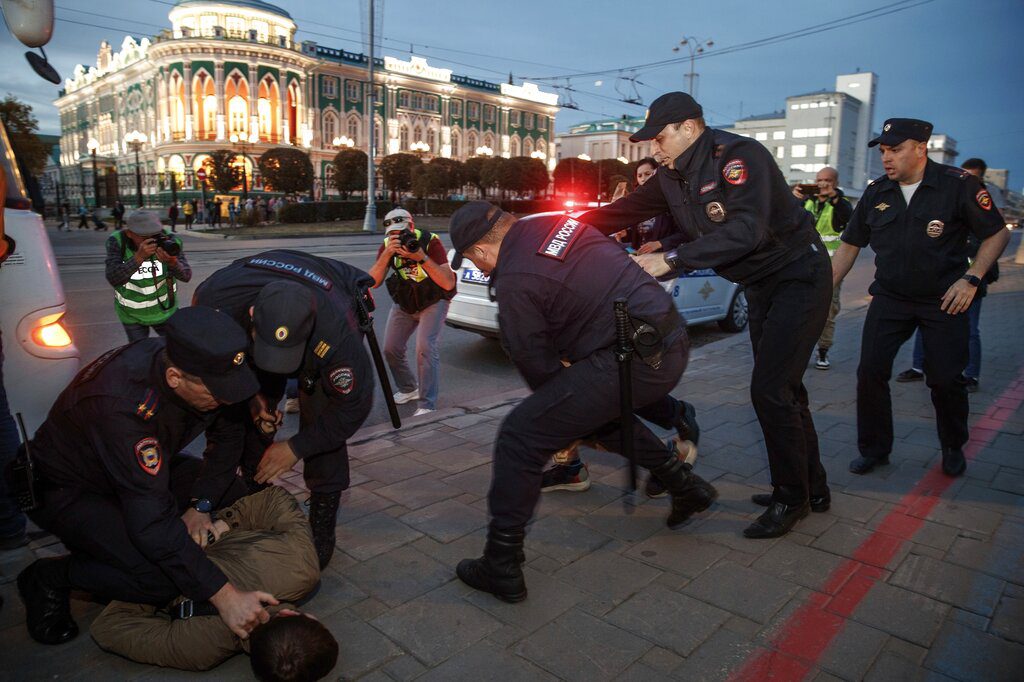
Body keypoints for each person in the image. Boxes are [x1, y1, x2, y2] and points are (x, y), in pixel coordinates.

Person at [578, 92, 833, 539]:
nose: (654, 150)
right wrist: (555, 228)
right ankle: (813, 487)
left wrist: (671, 260)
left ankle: (791, 497)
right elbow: (620, 212)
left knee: (771, 390)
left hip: (798, 274)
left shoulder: (737, 157)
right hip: (760, 284)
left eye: (659, 138)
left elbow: (746, 229)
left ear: (689, 128)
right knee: (786, 389)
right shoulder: (670, 176)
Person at [449, 202, 717, 603]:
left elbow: (540, 371)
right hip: (667, 338)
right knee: (592, 411)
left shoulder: (515, 277)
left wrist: (562, 420)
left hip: (634, 358)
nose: (483, 270)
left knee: (520, 436)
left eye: (476, 262)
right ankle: (686, 486)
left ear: (481, 251)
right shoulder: (560, 225)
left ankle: (500, 564)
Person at [14, 306, 272, 646]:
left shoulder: (200, 366)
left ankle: (184, 561)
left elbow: (227, 438)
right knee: (157, 580)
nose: (226, 400)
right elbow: (151, 523)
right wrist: (225, 597)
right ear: (175, 378)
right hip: (66, 487)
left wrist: (200, 506)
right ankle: (47, 577)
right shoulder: (122, 405)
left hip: (131, 474)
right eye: (217, 394)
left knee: (232, 493)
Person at [832, 119, 1008, 477]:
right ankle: (876, 449)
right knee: (870, 373)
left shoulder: (958, 186)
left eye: (894, 150)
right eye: (883, 151)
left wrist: (971, 279)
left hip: (944, 299)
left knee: (945, 379)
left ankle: (953, 446)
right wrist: (824, 292)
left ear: (920, 148)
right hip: (890, 298)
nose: (886, 158)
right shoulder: (877, 192)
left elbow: (996, 234)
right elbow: (850, 245)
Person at [192, 250, 376, 568]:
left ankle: (322, 518)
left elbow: (353, 406)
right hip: (248, 316)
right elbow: (225, 394)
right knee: (236, 412)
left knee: (322, 421)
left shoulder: (336, 334)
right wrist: (252, 399)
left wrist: (295, 447)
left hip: (325, 305)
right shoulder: (215, 305)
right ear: (251, 315)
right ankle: (254, 490)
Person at [89, 486, 336, 677]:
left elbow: (275, 497)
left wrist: (158, 577)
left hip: (151, 518)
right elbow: (109, 627)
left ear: (288, 615)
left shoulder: (302, 569)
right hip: (158, 522)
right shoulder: (199, 650)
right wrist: (220, 526)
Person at [896, 157, 1000, 392]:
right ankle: (918, 367)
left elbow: (995, 233)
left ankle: (971, 375)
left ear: (981, 177)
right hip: (941, 275)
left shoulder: (984, 196)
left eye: (972, 176)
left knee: (970, 329)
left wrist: (975, 277)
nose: (965, 180)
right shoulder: (948, 195)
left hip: (971, 277)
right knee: (925, 322)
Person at [368, 208, 457, 417]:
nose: (399, 238)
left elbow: (447, 281)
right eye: (393, 235)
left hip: (434, 300)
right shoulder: (387, 246)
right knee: (391, 348)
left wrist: (421, 257)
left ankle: (427, 404)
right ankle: (409, 388)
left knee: (425, 347)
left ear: (412, 227)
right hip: (406, 301)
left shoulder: (429, 241)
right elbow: (373, 282)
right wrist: (388, 254)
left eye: (403, 232)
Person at [792, 167, 854, 370]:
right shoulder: (807, 201)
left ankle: (823, 351)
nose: (822, 184)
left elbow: (848, 220)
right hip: (803, 265)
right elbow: (787, 218)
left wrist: (835, 198)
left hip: (830, 268)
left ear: (835, 182)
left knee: (827, 311)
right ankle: (798, 351)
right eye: (819, 179)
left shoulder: (841, 204)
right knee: (798, 309)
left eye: (827, 180)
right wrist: (795, 198)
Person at [104, 210, 191, 342]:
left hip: (166, 311)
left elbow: (186, 276)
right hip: (132, 315)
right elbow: (114, 278)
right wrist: (138, 258)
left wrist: (173, 263)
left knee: (175, 351)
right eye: (145, 237)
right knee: (140, 353)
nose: (152, 241)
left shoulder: (171, 241)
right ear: (129, 234)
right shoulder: (118, 242)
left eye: (156, 235)